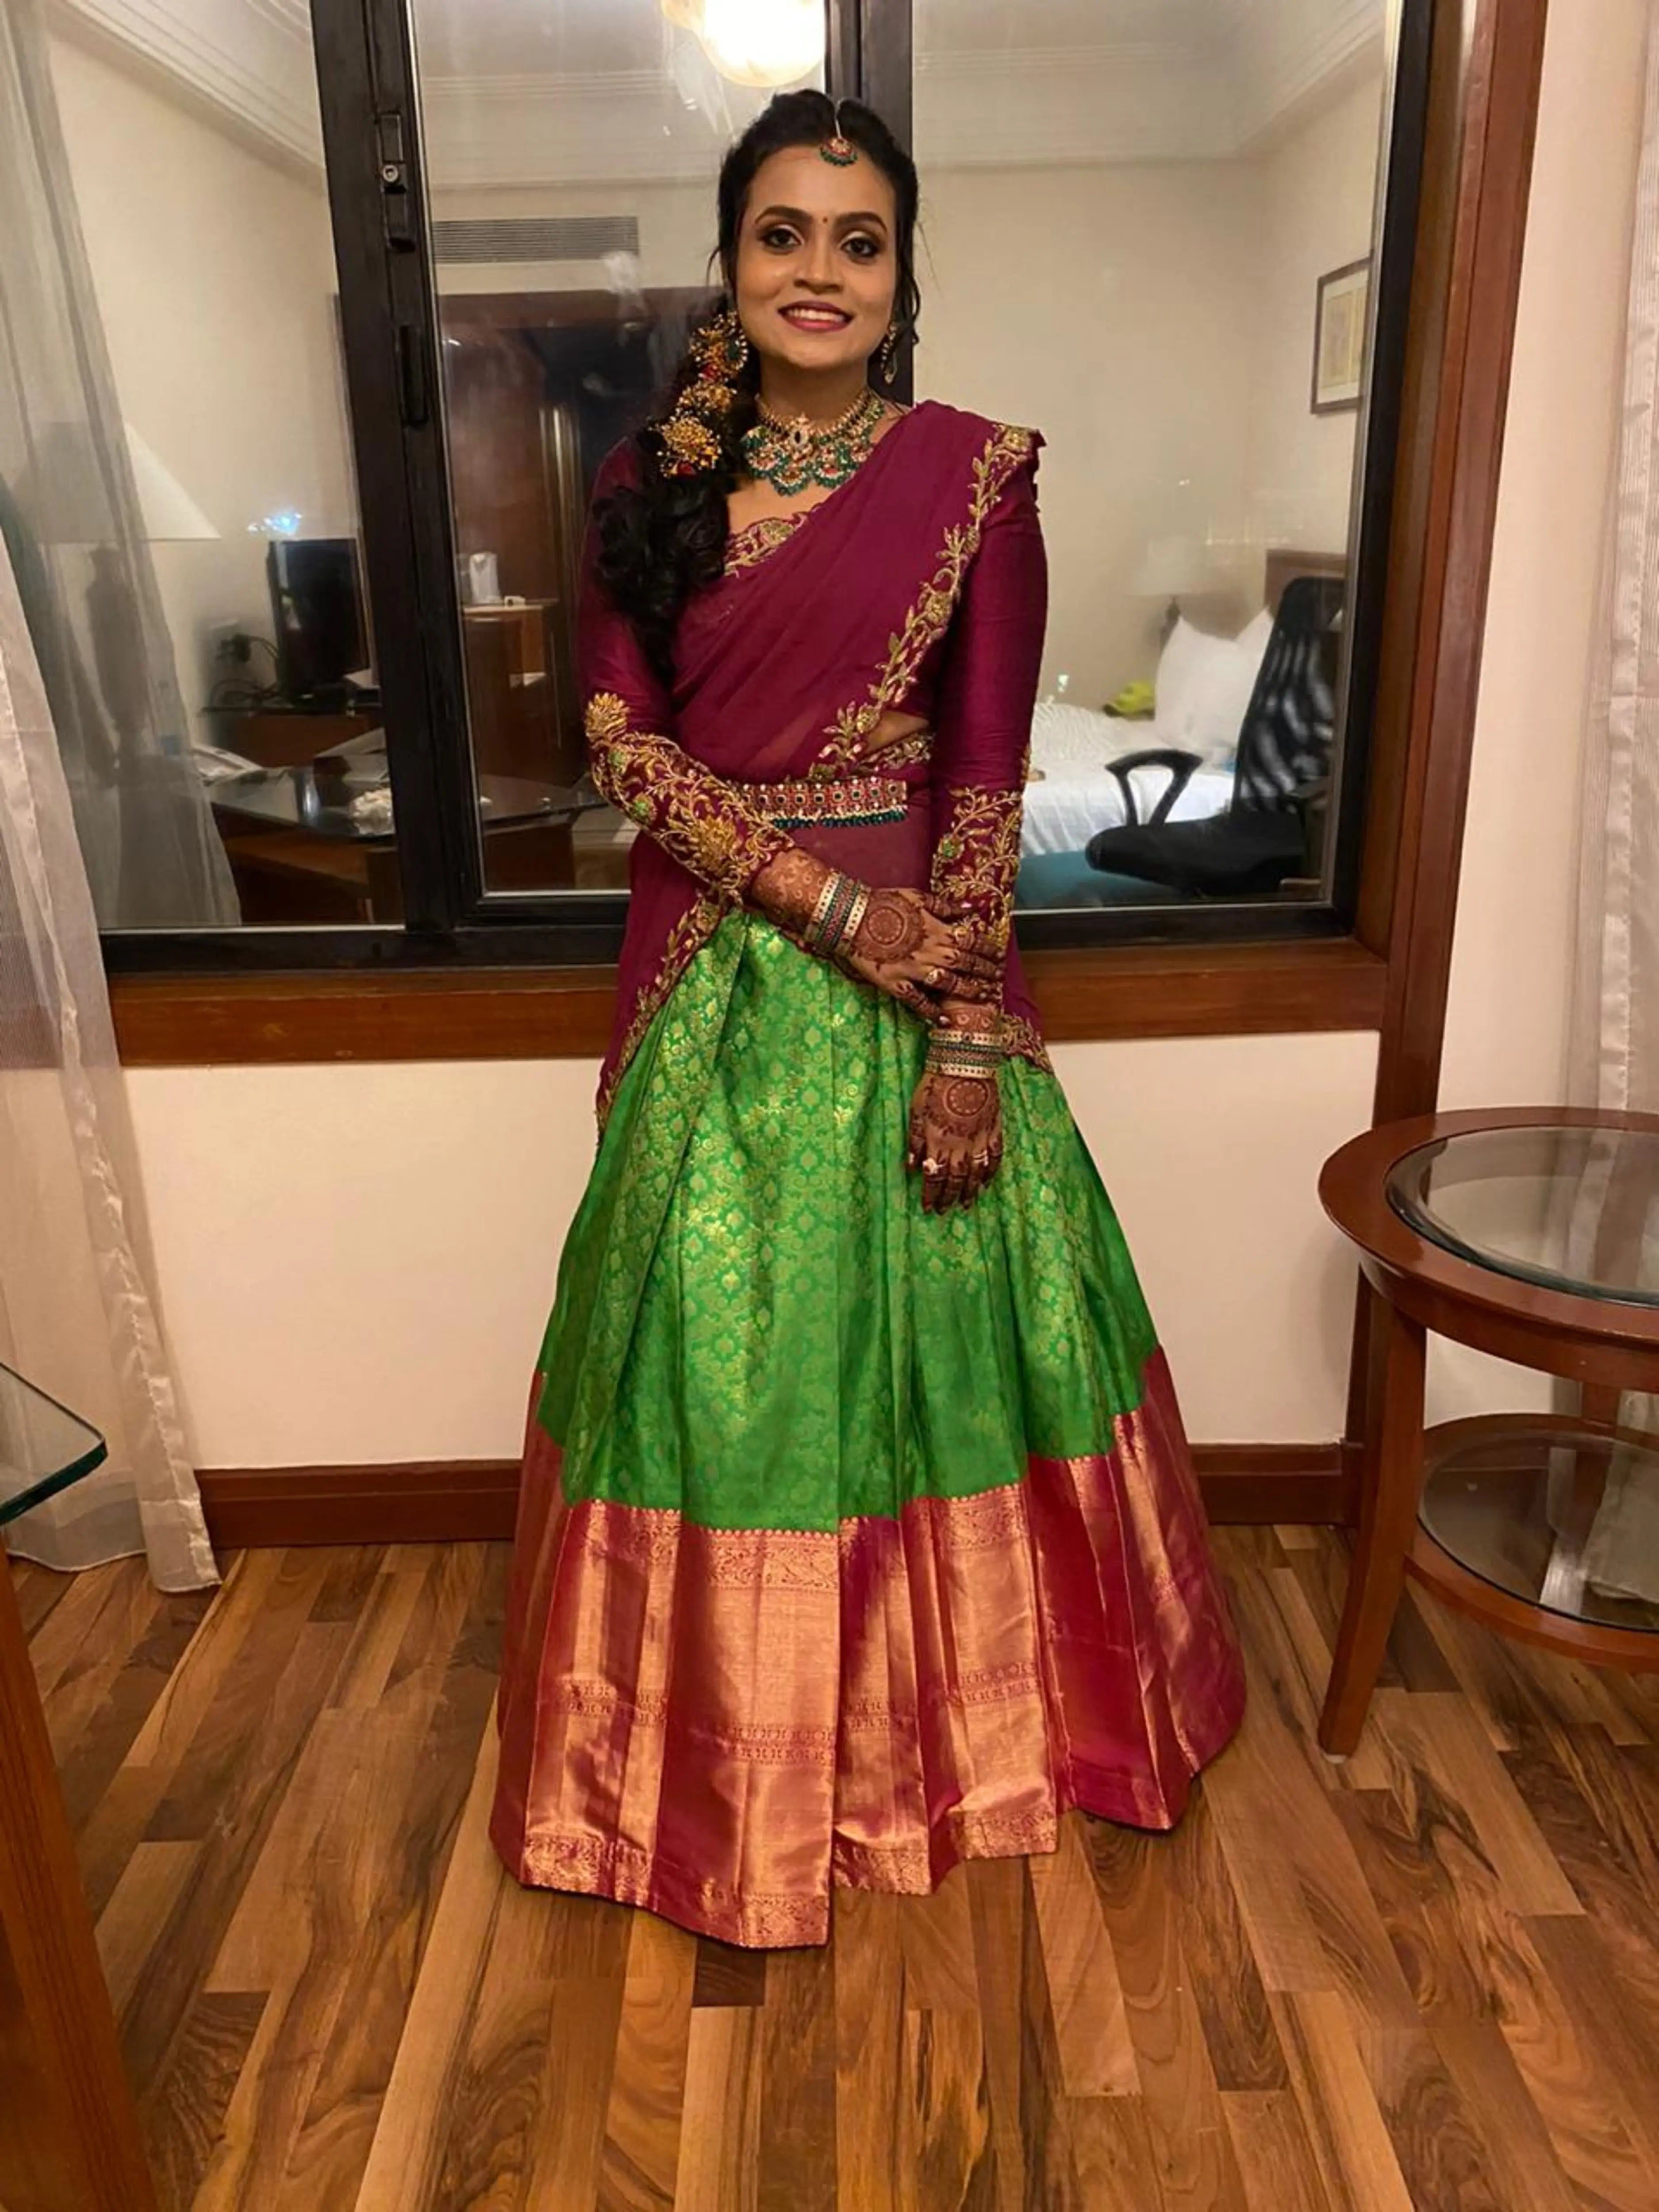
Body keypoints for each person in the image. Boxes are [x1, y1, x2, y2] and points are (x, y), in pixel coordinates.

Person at [491, 89, 1244, 1949]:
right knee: (711, 1367)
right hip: (734, 968)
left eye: (856, 238)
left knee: (960, 1354)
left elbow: (984, 779)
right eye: (780, 232)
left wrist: (971, 1037)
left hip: (933, 979)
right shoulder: (641, 484)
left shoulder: (974, 473)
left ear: (900, 271)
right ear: (729, 257)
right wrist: (834, 909)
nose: (815, 269)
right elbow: (613, 745)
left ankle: (977, 1729)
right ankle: (722, 1769)